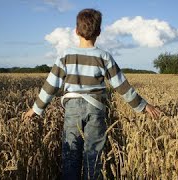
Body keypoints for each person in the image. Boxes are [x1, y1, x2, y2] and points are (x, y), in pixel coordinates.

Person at [24, 8, 161, 180]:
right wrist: (142, 105)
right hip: (96, 109)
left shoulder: (66, 55)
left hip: (72, 109)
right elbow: (122, 85)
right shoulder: (104, 56)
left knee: (71, 155)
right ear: (99, 32)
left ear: (76, 31)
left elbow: (50, 86)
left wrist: (36, 109)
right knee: (94, 157)